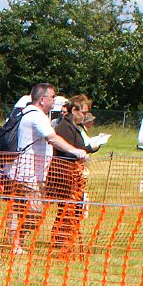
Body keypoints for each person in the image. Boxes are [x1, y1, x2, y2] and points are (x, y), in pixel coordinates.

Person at [7, 83, 90, 254]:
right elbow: (52, 138)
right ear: (43, 99)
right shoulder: (37, 117)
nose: (54, 101)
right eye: (52, 97)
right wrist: (74, 150)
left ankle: (15, 243)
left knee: (20, 208)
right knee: (34, 210)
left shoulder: (30, 114)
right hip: (26, 171)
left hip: (30, 172)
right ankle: (15, 243)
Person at [48, 94, 96, 254]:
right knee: (67, 207)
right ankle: (60, 241)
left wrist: (90, 148)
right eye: (83, 112)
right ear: (74, 110)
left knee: (69, 208)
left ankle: (62, 239)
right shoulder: (64, 127)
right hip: (64, 172)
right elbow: (68, 151)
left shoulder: (72, 126)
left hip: (72, 173)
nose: (85, 116)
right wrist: (87, 149)